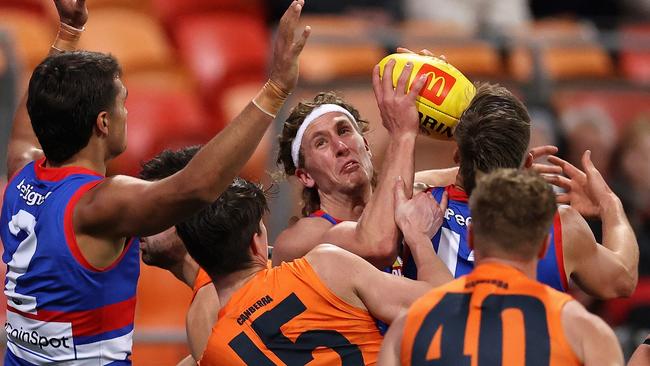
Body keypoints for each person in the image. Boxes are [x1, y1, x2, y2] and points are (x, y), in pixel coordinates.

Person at [0, 0, 310, 363]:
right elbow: (195, 187)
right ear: (103, 122)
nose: (127, 112)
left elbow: (30, 120)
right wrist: (274, 90)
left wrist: (68, 32)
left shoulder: (21, 172)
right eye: (122, 103)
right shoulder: (99, 203)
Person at [179, 175, 451, 365]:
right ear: (256, 241)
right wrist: (418, 237)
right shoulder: (325, 266)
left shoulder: (215, 353)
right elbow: (447, 306)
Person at [412, 82, 639, 299]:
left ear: (457, 156)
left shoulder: (417, 201)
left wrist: (476, 162)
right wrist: (609, 204)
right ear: (529, 162)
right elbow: (623, 279)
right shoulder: (561, 225)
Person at [378, 169, 624, 366]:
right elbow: (623, 278)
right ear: (543, 246)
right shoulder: (586, 332)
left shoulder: (409, 325)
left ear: (472, 237)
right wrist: (611, 205)